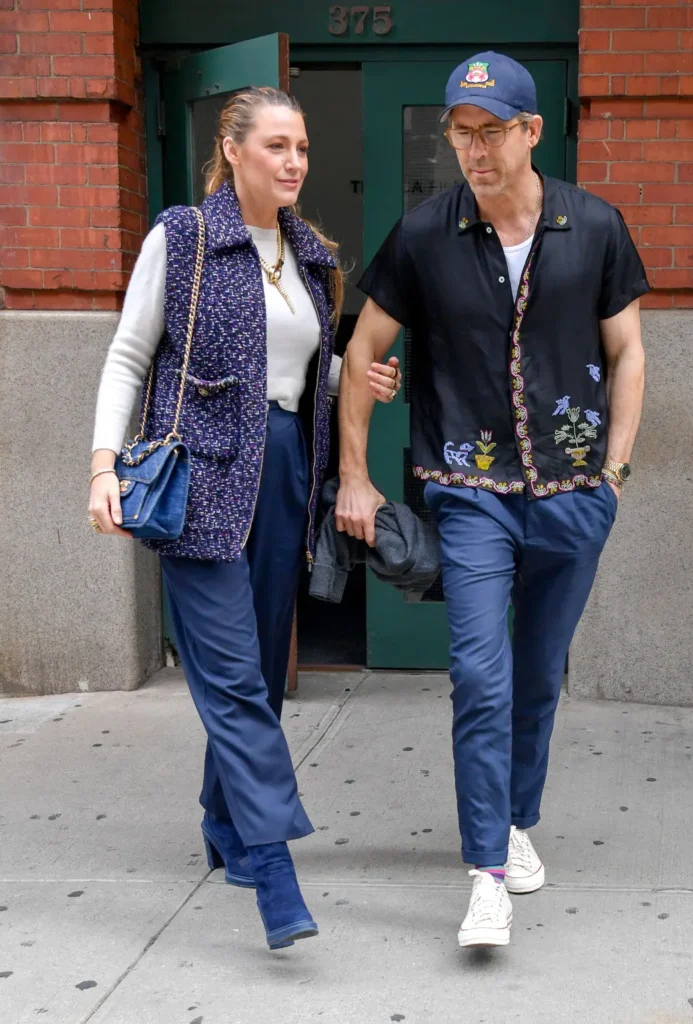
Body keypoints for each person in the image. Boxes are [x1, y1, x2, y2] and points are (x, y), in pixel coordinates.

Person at [336, 52, 648, 948]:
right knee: (479, 673)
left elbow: (626, 352)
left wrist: (614, 475)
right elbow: (363, 350)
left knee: (538, 674)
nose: (472, 150)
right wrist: (356, 474)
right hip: (469, 491)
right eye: (459, 133)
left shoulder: (592, 227)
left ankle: (514, 822)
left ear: (530, 132)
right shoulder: (426, 235)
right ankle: (484, 872)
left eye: (490, 131)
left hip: (572, 492)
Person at [87, 86, 401, 952]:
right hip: (200, 482)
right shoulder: (182, 238)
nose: (294, 160)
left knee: (258, 673)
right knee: (230, 681)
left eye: (301, 146)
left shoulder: (309, 255)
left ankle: (222, 823)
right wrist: (102, 465)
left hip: (283, 480)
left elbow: (294, 376)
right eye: (275, 145)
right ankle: (272, 870)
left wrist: (349, 382)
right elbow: (127, 355)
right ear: (232, 149)